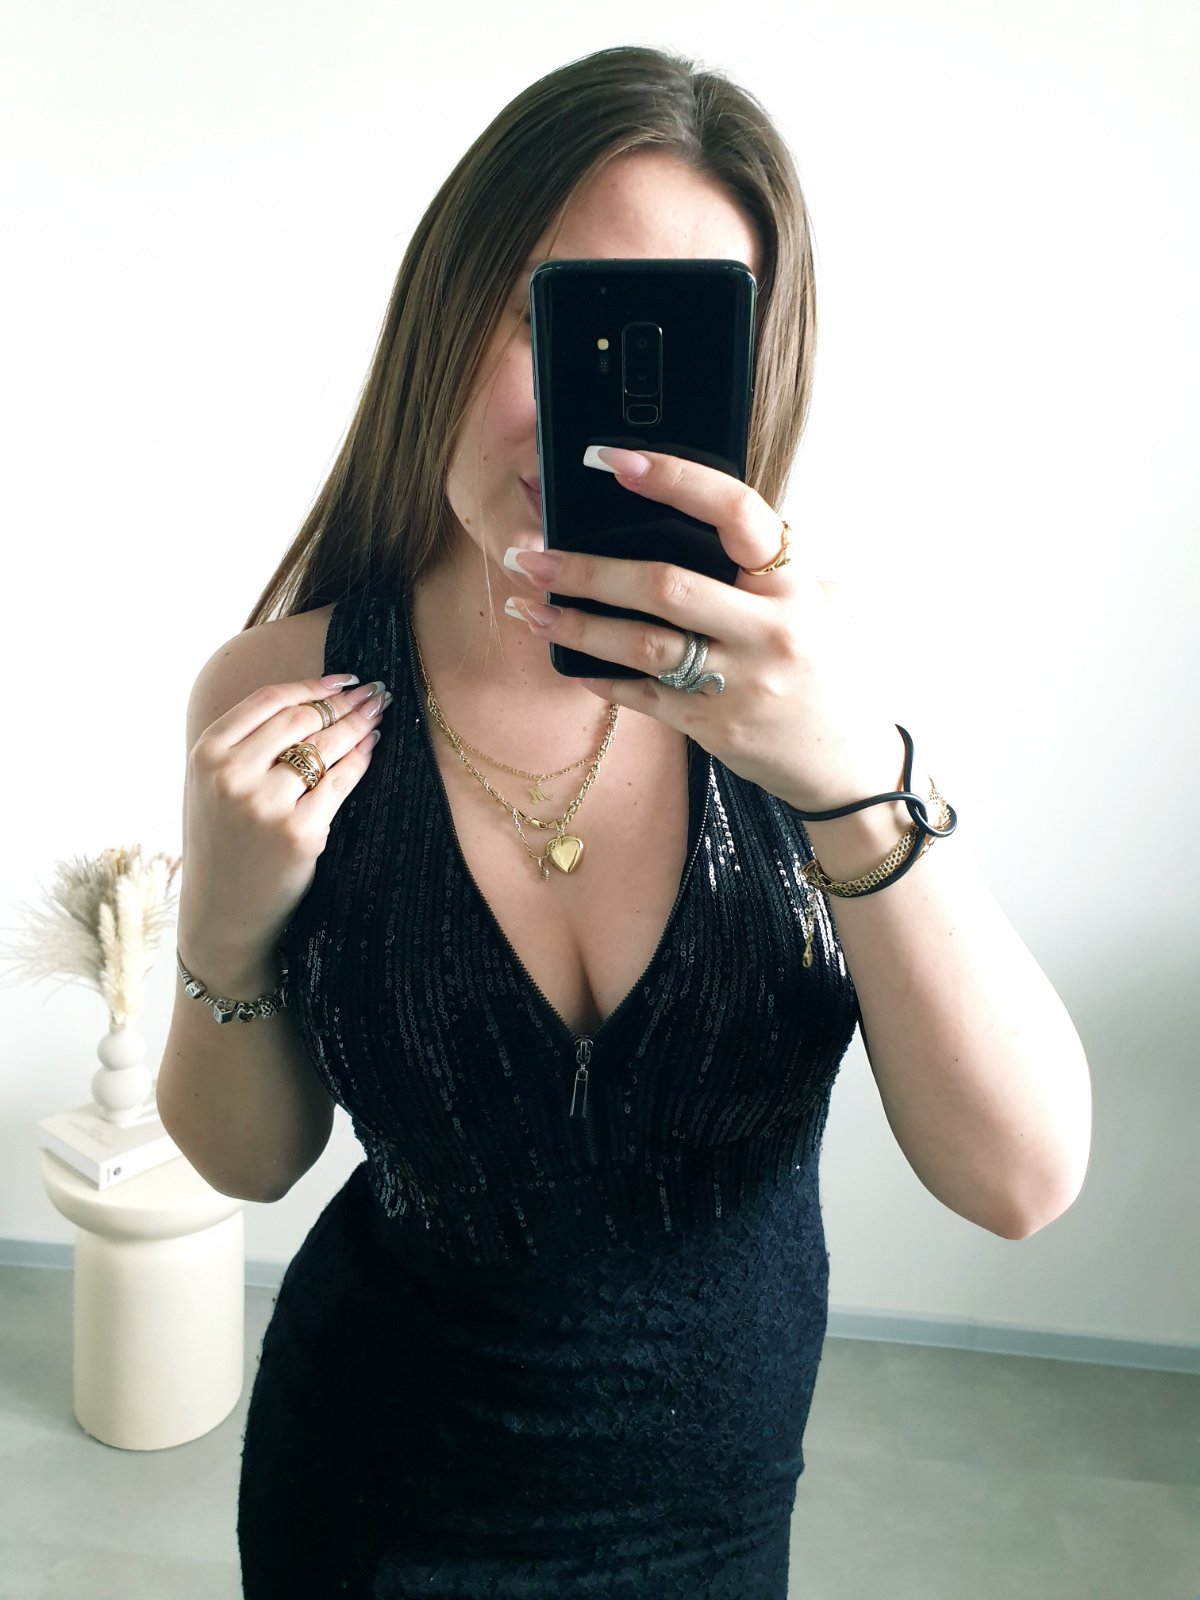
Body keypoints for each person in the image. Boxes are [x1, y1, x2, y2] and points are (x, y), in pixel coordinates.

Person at [155, 44, 1092, 1600]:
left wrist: (844, 778)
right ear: (443, 313)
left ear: (747, 380)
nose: (585, 421)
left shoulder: (824, 687)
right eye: (554, 322)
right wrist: (224, 921)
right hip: (367, 1498)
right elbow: (251, 1164)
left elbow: (1021, 1181)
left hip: (711, 1525)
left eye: (663, 351)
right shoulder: (281, 690)